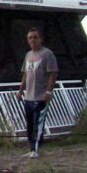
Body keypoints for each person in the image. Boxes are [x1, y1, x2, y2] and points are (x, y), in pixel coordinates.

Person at [16, 27, 58, 158]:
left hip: (41, 95)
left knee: (38, 123)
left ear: (40, 39)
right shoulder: (28, 55)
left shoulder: (47, 54)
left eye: (35, 37)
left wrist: (49, 91)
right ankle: (31, 148)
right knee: (29, 122)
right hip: (29, 95)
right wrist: (20, 90)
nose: (32, 40)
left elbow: (53, 73)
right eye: (30, 38)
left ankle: (36, 149)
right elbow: (25, 74)